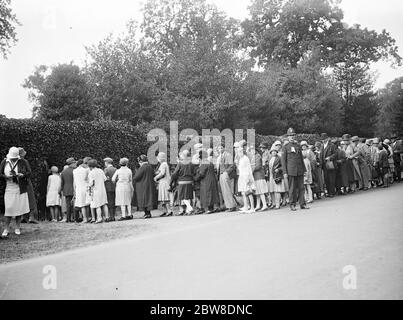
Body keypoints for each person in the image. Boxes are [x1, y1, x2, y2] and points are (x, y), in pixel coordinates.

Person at [1, 147, 31, 237]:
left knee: (19, 208)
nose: (13, 159)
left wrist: (23, 175)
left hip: (20, 187)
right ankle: (6, 228)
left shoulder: (23, 162)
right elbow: (0, 174)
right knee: (9, 208)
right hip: (9, 187)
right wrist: (6, 177)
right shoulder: (4, 162)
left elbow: (29, 172)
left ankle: (17, 227)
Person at [281, 128, 308, 212]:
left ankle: (302, 204)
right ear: (287, 137)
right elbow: (283, 161)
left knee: (301, 188)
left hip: (299, 169)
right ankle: (292, 204)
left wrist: (304, 170)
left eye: (293, 135)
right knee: (292, 188)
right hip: (291, 170)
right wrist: (285, 172)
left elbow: (301, 159)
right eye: (290, 136)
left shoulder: (297, 146)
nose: (291, 137)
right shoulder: (285, 147)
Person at [171, 150, 195, 215]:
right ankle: (188, 211)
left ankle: (189, 207)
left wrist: (172, 180)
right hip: (190, 181)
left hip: (182, 181)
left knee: (182, 196)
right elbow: (194, 172)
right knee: (188, 196)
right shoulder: (191, 163)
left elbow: (175, 173)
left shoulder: (180, 163)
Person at [18, 148, 39, 224]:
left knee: (22, 199)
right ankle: (31, 217)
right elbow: (29, 172)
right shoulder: (24, 161)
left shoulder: (13, 162)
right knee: (31, 199)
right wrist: (24, 175)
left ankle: (23, 217)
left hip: (18, 183)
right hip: (26, 182)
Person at [197, 150, 220, 214]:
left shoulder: (204, 163)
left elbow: (201, 174)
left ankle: (207, 209)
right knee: (211, 194)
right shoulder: (210, 163)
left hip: (206, 181)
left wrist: (196, 178)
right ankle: (211, 208)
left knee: (206, 195)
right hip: (212, 180)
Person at [134, 155, 156, 219]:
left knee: (144, 199)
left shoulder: (142, 167)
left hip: (143, 186)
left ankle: (147, 213)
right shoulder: (150, 167)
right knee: (148, 199)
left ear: (141, 161)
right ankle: (148, 213)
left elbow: (136, 177)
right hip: (149, 185)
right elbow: (153, 174)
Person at [237, 141, 255, 213]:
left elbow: (248, 169)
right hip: (242, 177)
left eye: (240, 152)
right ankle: (246, 207)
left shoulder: (245, 158)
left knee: (249, 192)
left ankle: (252, 208)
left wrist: (248, 178)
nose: (238, 153)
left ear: (242, 152)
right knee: (243, 193)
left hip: (246, 176)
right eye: (238, 152)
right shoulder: (240, 159)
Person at [154, 152, 173, 217]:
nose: (157, 159)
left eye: (158, 157)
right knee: (162, 197)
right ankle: (165, 211)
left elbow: (162, 173)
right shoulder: (163, 164)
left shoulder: (163, 164)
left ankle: (169, 211)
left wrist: (156, 177)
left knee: (165, 197)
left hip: (164, 182)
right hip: (163, 182)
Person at [268, 145, 286, 211]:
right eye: (272, 152)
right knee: (272, 190)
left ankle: (277, 205)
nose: (273, 153)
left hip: (277, 175)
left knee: (277, 190)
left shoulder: (279, 158)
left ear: (276, 152)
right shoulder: (270, 158)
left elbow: (283, 166)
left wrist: (278, 169)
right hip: (271, 176)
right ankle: (274, 203)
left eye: (275, 151)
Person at [319, 133, 338, 197]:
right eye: (322, 139)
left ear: (327, 139)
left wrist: (330, 157)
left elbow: (335, 154)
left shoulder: (332, 145)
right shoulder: (322, 146)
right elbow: (321, 155)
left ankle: (332, 192)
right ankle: (329, 191)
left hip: (330, 164)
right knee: (326, 179)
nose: (323, 140)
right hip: (324, 165)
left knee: (331, 179)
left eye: (324, 139)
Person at [73, 159, 90, 223]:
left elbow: (74, 182)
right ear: (82, 164)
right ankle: (87, 218)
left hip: (78, 188)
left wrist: (74, 190)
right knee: (86, 204)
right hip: (85, 187)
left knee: (81, 204)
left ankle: (84, 218)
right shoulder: (85, 170)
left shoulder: (74, 171)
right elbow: (87, 180)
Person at [61, 158, 77, 222]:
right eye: (74, 163)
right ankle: (75, 218)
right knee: (75, 204)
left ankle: (68, 219)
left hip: (66, 189)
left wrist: (62, 189)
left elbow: (62, 182)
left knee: (68, 205)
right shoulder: (75, 171)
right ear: (71, 164)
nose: (75, 164)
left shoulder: (63, 171)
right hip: (74, 189)